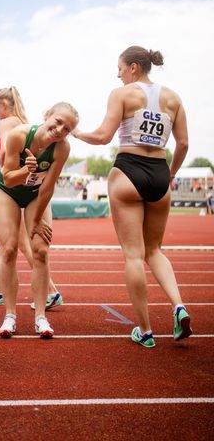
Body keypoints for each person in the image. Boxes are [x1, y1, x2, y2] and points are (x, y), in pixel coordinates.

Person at [73, 45, 192, 347]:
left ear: (134, 67)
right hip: (159, 172)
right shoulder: (174, 98)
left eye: (121, 68)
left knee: (133, 255)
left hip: (128, 170)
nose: (118, 74)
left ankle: (146, 330)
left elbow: (102, 137)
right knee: (155, 250)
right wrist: (171, 174)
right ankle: (179, 305)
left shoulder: (121, 94)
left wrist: (76, 133)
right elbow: (185, 144)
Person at [0, 87, 63, 310]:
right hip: (28, 185)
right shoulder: (23, 121)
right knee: (7, 244)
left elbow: (5, 153)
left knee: (19, 244)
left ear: (4, 104)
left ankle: (51, 291)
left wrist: (5, 166)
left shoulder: (7, 123)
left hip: (12, 185)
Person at [0, 101, 79, 339]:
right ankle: (9, 316)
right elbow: (9, 179)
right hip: (8, 191)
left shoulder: (62, 149)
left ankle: (41, 317)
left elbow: (48, 187)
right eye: (58, 122)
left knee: (41, 249)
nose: (60, 130)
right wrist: (26, 170)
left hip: (36, 195)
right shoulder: (18, 136)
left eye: (67, 129)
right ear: (47, 115)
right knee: (9, 249)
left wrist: (36, 223)